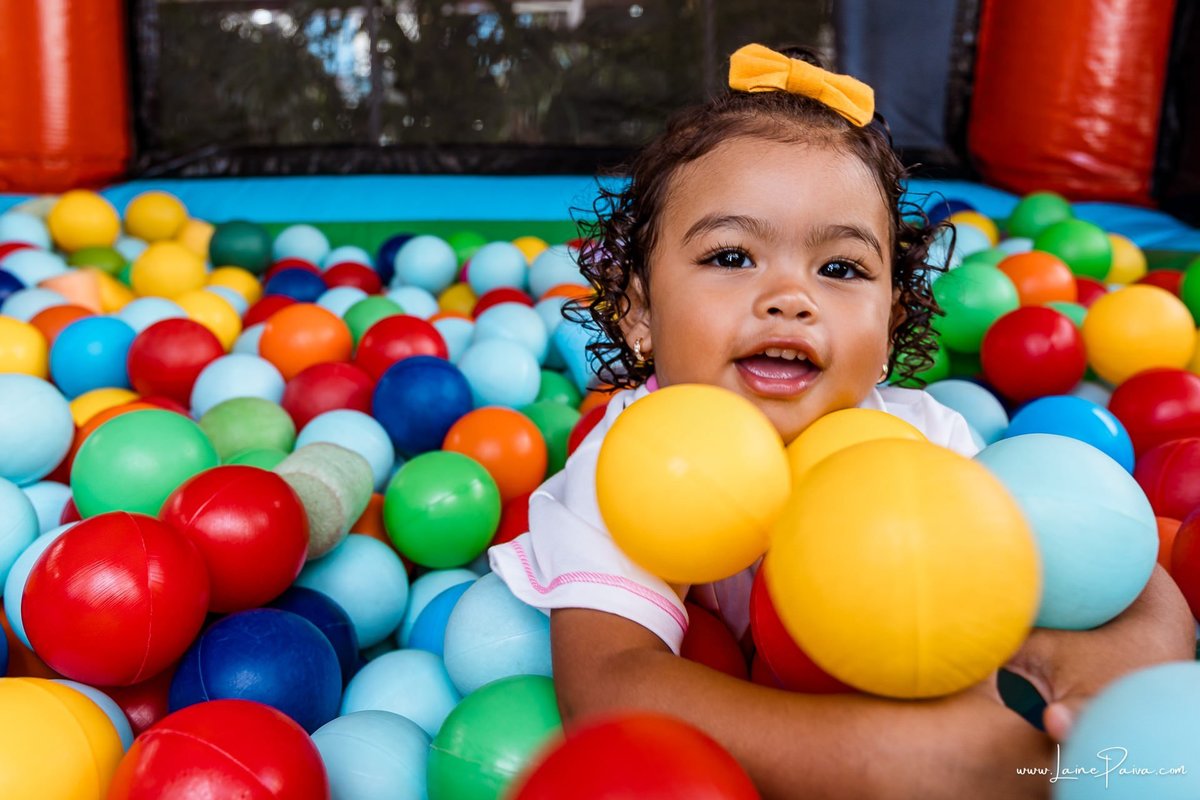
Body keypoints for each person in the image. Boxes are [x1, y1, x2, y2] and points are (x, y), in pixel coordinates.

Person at [489, 43, 1195, 799]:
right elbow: (610, 682)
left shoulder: (924, 443)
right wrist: (880, 755)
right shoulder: (634, 460)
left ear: (889, 327)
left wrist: (1098, 685)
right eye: (731, 257)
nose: (792, 296)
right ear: (639, 315)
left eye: (841, 269)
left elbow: (1128, 577)